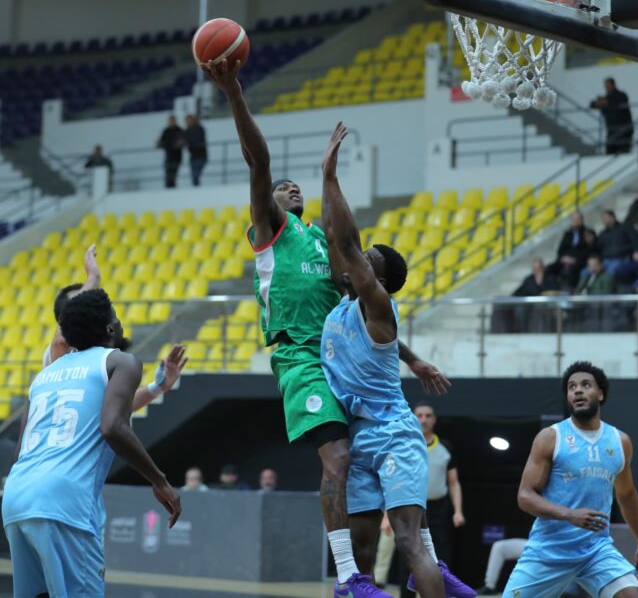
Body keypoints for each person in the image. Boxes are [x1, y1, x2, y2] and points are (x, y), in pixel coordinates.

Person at [201, 59, 450, 597]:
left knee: (387, 460)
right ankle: (347, 575)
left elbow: (364, 305)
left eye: (295, 187)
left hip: (342, 361)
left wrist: (411, 359)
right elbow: (259, 162)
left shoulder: (321, 242)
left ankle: (424, 562)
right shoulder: (271, 232)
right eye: (281, 188)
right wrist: (234, 92)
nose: (288, 188)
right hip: (300, 357)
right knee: (336, 459)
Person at [320, 122, 474, 598]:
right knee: (362, 552)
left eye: (368, 261)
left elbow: (346, 244)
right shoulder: (346, 306)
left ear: (379, 282)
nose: (357, 261)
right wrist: (414, 360)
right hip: (358, 436)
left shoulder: (379, 305)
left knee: (409, 543)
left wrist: (330, 175)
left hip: (392, 434)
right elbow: (335, 240)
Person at [2, 289, 181, 597]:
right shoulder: (121, 361)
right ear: (110, 328)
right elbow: (112, 426)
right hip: (63, 500)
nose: (120, 322)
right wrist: (160, 481)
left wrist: (156, 387)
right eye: (116, 317)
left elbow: (20, 451)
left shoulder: (44, 376)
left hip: (17, 499)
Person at [503, 361, 638, 596]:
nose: (577, 390)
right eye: (572, 387)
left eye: (585, 385)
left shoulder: (620, 441)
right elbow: (525, 496)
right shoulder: (551, 437)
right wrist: (569, 514)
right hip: (549, 551)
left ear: (600, 394)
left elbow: (627, 494)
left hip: (595, 550)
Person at [45, 244, 188, 411]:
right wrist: (93, 278)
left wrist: (157, 387)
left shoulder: (99, 357)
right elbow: (60, 341)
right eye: (80, 304)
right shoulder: (61, 355)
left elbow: (115, 406)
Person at [413, 404, 465, 565]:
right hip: (413, 508)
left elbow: (454, 483)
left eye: (428, 416)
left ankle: (441, 582)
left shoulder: (445, 447)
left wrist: (458, 511)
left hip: (439, 509)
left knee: (441, 552)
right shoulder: (406, 446)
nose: (424, 420)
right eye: (419, 415)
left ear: (434, 419)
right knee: (410, 552)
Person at [547, 212, 593, 289]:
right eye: (573, 219)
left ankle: (571, 291)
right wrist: (563, 258)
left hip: (579, 261)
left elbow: (588, 251)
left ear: (581, 220)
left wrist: (574, 260)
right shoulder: (567, 234)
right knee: (550, 269)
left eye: (577, 219)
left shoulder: (587, 233)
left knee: (572, 271)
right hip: (565, 260)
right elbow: (560, 250)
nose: (575, 221)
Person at [590, 78, 633, 155]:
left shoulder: (621, 95)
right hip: (612, 131)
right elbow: (592, 104)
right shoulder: (605, 99)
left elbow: (617, 99)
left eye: (608, 85)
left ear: (614, 85)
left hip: (624, 130)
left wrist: (603, 101)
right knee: (610, 153)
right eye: (606, 86)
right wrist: (601, 102)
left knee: (624, 154)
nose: (607, 87)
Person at [598, 210, 635, 276]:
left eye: (606, 218)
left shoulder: (624, 228)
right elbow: (599, 247)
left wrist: (623, 250)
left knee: (609, 272)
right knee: (587, 272)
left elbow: (634, 241)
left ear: (613, 218)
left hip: (621, 258)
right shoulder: (603, 234)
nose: (604, 221)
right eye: (603, 219)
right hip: (606, 260)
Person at [156, 115, 184, 188]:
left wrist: (180, 144)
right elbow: (161, 143)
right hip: (168, 156)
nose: (172, 122)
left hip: (177, 156)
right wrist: (159, 144)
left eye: (173, 120)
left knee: (173, 175)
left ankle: (172, 189)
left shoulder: (179, 130)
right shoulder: (166, 131)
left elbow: (183, 142)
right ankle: (168, 189)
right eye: (170, 120)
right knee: (168, 175)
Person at [184, 114, 208, 187]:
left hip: (201, 156)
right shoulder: (187, 130)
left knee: (196, 175)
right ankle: (196, 188)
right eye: (187, 121)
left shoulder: (199, 128)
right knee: (194, 176)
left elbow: (198, 140)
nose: (187, 122)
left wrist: (187, 142)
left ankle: (197, 189)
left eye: (189, 120)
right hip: (193, 156)